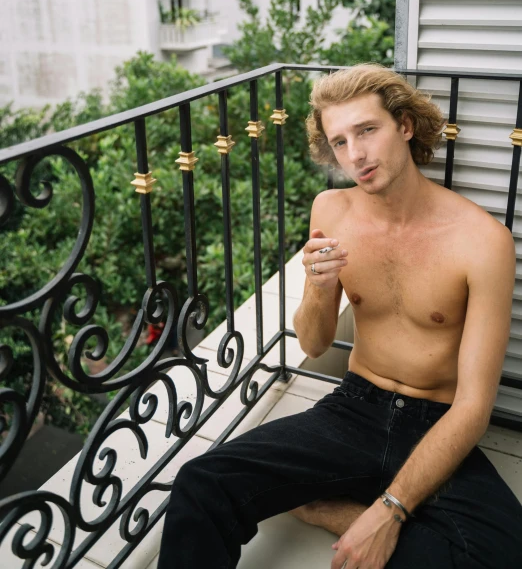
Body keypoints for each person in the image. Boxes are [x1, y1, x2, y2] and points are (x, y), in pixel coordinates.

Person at [157, 64, 522, 569]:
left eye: (367, 130)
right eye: (341, 141)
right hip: (354, 409)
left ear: (405, 126)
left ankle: (333, 510)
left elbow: (473, 408)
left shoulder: (483, 242)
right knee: (202, 484)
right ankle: (345, 505)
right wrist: (318, 290)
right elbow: (313, 344)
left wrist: (389, 511)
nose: (357, 155)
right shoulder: (331, 210)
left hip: (435, 420)